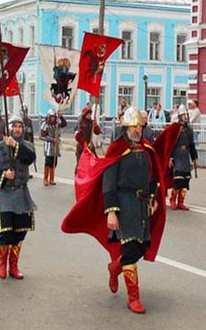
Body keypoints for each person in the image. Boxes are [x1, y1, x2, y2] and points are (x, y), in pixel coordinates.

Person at [61, 106, 167, 314]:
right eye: (134, 126)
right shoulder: (117, 150)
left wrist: (153, 197)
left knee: (140, 247)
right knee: (129, 250)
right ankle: (133, 298)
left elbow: (153, 175)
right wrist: (111, 211)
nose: (137, 129)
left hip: (142, 205)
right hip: (124, 203)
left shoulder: (146, 148)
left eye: (139, 126)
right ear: (126, 127)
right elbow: (108, 183)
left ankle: (114, 268)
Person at [0, 115, 37, 279]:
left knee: (20, 232)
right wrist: (4, 175)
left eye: (19, 127)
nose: (17, 129)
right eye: (14, 126)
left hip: (22, 194)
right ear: (9, 128)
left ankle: (13, 266)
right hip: (6, 194)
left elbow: (30, 158)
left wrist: (15, 145)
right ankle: (2, 264)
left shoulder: (27, 146)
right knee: (6, 231)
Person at [168, 104, 198, 211]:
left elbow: (192, 144)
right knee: (178, 180)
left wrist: (194, 158)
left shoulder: (189, 129)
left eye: (186, 115)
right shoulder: (175, 129)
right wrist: (170, 158)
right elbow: (170, 144)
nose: (185, 117)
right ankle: (173, 199)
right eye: (183, 115)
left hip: (186, 156)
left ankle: (181, 202)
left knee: (186, 180)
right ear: (180, 116)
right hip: (177, 155)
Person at [40, 109, 67, 186]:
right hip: (49, 146)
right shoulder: (45, 125)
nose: (53, 118)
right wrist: (51, 139)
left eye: (54, 117)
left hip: (55, 146)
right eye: (51, 117)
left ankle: (51, 179)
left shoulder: (56, 124)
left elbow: (64, 124)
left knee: (54, 163)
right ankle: (45, 179)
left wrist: (61, 116)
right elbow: (42, 136)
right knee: (48, 162)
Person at [75, 106, 102, 174]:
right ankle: (78, 178)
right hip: (82, 147)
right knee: (81, 164)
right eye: (88, 114)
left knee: (95, 161)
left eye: (90, 114)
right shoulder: (80, 123)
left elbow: (97, 132)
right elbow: (77, 136)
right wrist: (85, 144)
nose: (89, 115)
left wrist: (95, 125)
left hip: (90, 146)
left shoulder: (91, 123)